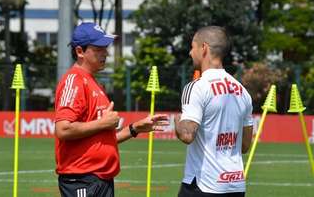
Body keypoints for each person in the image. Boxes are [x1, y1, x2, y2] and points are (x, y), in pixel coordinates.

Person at [54, 22, 169, 197]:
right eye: (99, 48)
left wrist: (134, 129)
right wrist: (102, 123)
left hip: (99, 179)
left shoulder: (93, 82)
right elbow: (63, 129)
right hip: (82, 179)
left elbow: (102, 138)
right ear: (80, 52)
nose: (106, 53)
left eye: (105, 47)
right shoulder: (74, 80)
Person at [174, 26, 253, 197]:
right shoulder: (242, 91)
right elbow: (245, 145)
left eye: (192, 47)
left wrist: (177, 120)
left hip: (203, 185)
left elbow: (187, 135)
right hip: (235, 186)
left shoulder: (196, 87)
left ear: (204, 48)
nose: (190, 52)